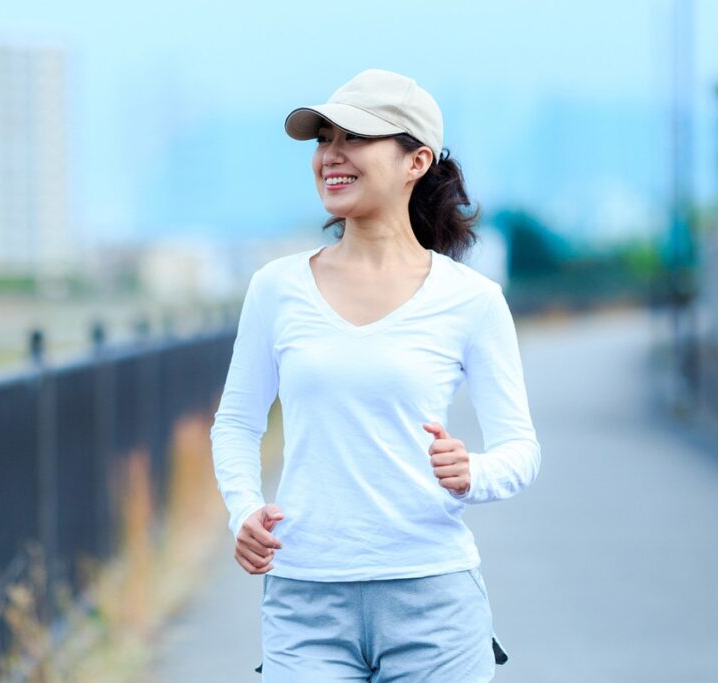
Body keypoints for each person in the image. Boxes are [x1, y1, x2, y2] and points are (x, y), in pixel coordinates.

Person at [209, 68, 541, 682]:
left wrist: (475, 473)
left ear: (416, 160)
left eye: (354, 138)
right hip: (306, 600)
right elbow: (236, 422)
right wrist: (243, 510)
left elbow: (522, 451)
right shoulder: (276, 288)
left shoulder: (471, 299)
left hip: (434, 604)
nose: (331, 156)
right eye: (322, 140)